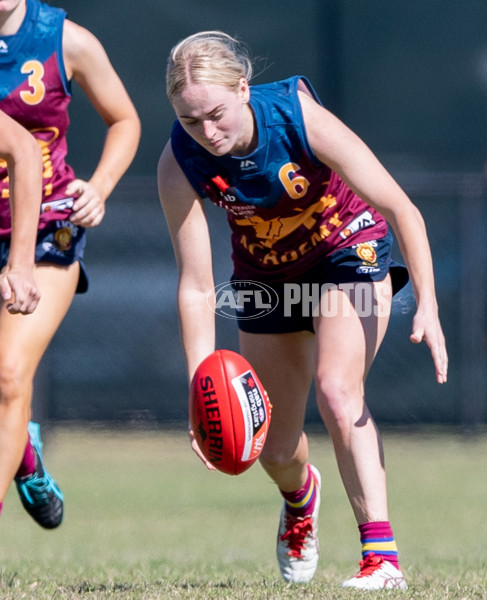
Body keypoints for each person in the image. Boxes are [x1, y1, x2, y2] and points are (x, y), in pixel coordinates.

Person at [157, 30, 447, 590]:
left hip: (349, 252)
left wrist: (428, 305)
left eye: (216, 113)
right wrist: (201, 382)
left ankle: (380, 556)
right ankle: (300, 498)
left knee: (338, 391)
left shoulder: (298, 117)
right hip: (266, 277)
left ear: (243, 89)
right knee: (272, 445)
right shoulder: (181, 161)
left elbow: (401, 208)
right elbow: (196, 285)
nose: (207, 132)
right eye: (191, 121)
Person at [0, 0, 140, 528]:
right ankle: (25, 454)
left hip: (45, 229)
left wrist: (99, 189)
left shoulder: (65, 39)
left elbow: (124, 119)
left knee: (9, 374)